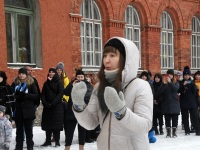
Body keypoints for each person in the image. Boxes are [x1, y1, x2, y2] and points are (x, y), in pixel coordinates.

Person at [71, 37, 153, 150]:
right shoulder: (100, 87)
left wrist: (121, 112)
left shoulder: (140, 86)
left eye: (112, 56)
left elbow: (145, 125)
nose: (106, 60)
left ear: (126, 59)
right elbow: (91, 123)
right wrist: (78, 106)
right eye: (105, 56)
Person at [63, 69, 93, 150]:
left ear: (84, 77)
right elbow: (65, 92)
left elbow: (89, 96)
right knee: (69, 132)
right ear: (76, 77)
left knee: (82, 132)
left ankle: (81, 148)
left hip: (82, 112)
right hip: (71, 111)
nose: (80, 78)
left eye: (81, 77)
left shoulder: (87, 84)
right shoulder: (72, 84)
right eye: (78, 77)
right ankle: (67, 148)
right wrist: (71, 85)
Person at [11, 68, 39, 150]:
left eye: (23, 74)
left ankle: (30, 147)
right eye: (20, 74)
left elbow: (36, 95)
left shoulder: (31, 83)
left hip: (28, 110)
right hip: (18, 110)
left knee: (28, 131)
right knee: (19, 131)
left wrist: (27, 95)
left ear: (26, 75)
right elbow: (12, 94)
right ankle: (18, 147)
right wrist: (17, 96)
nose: (21, 75)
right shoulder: (15, 83)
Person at [41, 68, 64, 147]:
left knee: (56, 125)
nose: (51, 73)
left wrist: (53, 103)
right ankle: (48, 141)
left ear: (55, 73)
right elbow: (43, 94)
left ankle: (57, 141)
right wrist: (45, 103)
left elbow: (60, 94)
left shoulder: (59, 82)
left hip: (56, 107)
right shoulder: (46, 83)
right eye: (50, 72)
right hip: (47, 107)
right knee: (48, 125)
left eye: (52, 72)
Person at [156, 69, 180, 138]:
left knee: (175, 119)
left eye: (171, 75)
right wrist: (163, 84)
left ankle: (174, 133)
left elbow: (176, 89)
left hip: (174, 104)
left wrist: (170, 82)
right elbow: (159, 92)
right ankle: (168, 133)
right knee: (167, 119)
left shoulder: (176, 83)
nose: (169, 76)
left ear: (173, 76)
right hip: (166, 104)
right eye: (168, 74)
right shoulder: (164, 83)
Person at [179, 66, 200, 135]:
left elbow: (195, 93)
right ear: (183, 75)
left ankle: (197, 130)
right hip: (184, 102)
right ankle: (187, 130)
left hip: (192, 102)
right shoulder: (181, 82)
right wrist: (183, 86)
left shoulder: (192, 82)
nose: (186, 76)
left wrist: (192, 85)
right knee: (185, 117)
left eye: (188, 75)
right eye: (185, 75)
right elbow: (179, 91)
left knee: (195, 117)